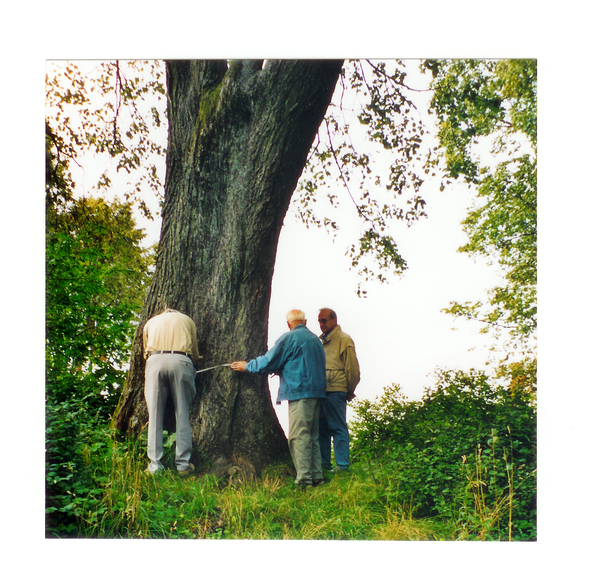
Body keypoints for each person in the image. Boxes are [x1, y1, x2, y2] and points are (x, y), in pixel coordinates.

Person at [230, 309, 326, 489]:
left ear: (288, 324)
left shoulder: (289, 338)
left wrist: (247, 366)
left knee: (298, 436)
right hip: (317, 392)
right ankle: (316, 476)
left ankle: (304, 479)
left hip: (300, 392)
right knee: (312, 435)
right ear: (305, 322)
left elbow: (268, 361)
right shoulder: (315, 340)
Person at [143, 306, 200, 475]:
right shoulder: (188, 321)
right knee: (182, 413)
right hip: (181, 359)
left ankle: (154, 465)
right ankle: (183, 464)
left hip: (155, 361)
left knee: (154, 415)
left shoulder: (150, 322)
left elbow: (145, 349)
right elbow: (194, 350)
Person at [317, 308, 360, 472]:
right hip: (323, 390)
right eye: (320, 321)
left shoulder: (344, 339)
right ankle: (324, 464)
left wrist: (349, 390)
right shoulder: (323, 342)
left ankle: (342, 465)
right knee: (322, 429)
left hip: (336, 390)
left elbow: (353, 369)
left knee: (337, 427)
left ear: (334, 321)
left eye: (324, 320)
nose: (322, 324)